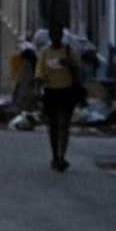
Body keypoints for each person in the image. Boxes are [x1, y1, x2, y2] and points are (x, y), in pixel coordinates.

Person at [35, 23, 82, 171]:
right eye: (53, 35)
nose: (56, 37)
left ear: (62, 36)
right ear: (50, 36)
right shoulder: (45, 53)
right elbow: (40, 73)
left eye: (59, 34)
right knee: (53, 126)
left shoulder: (69, 51)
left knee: (64, 125)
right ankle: (55, 155)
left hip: (67, 91)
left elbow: (78, 69)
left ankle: (62, 157)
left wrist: (69, 64)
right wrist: (37, 90)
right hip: (50, 92)